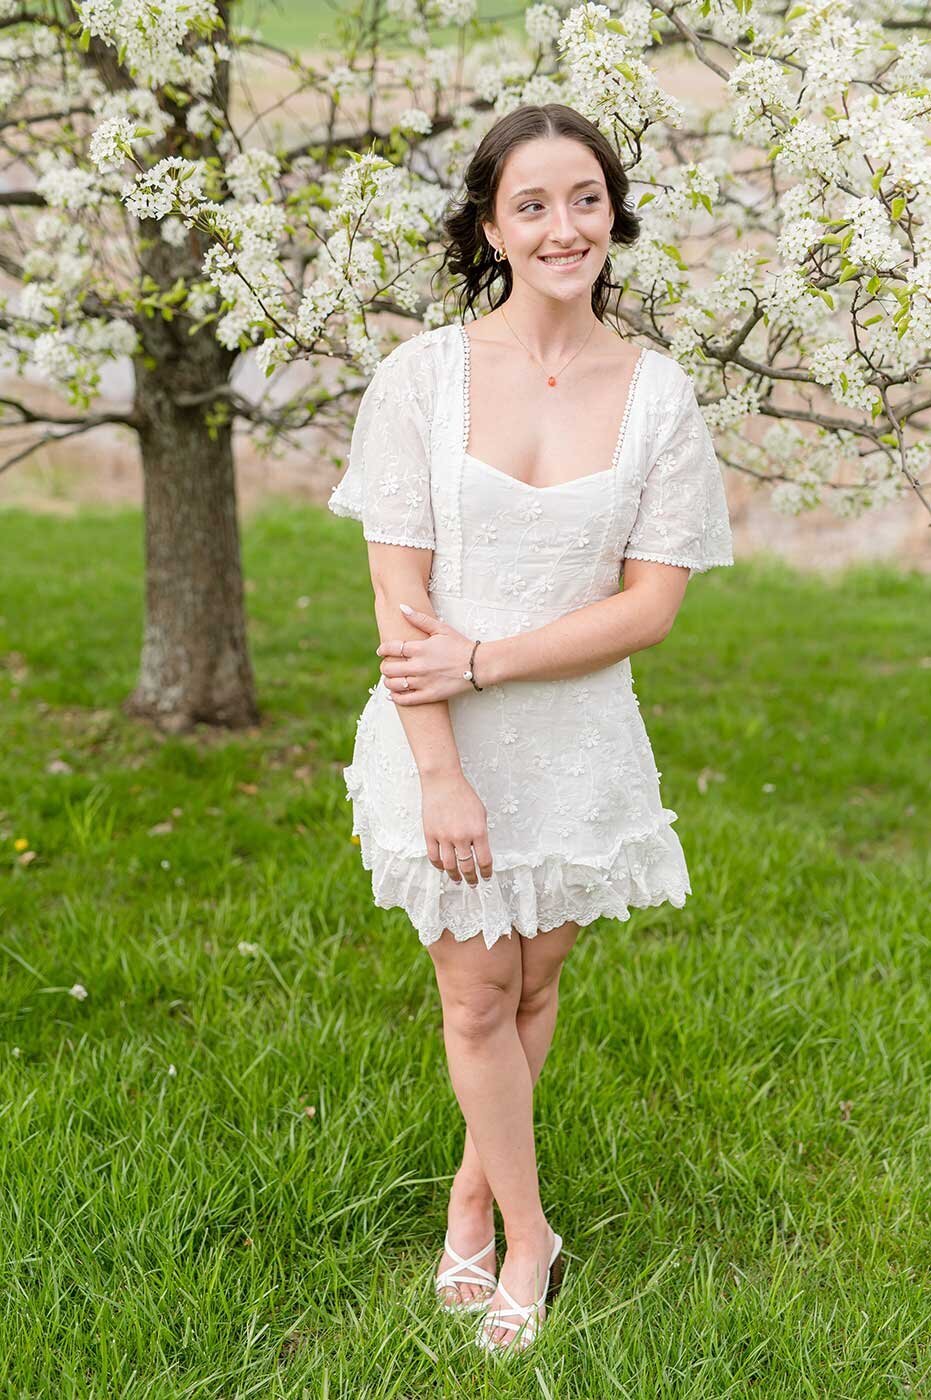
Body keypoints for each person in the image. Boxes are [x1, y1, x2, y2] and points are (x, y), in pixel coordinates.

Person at [327, 102, 734, 1355]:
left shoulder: (658, 396)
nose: (565, 228)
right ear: (492, 227)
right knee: (474, 994)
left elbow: (649, 605)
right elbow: (403, 605)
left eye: (586, 200)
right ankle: (527, 1235)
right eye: (533, 205)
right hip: (438, 732)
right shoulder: (420, 378)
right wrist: (438, 769)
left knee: (536, 978)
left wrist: (488, 657)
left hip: (576, 736)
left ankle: (467, 1194)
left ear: (612, 213)